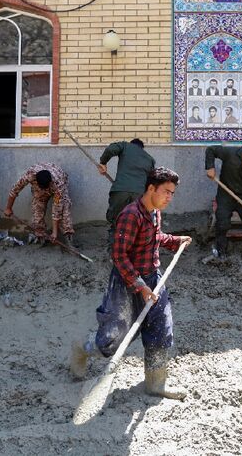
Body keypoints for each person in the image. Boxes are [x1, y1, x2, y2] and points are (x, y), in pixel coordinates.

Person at [70, 167, 192, 402]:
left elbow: (155, 239)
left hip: (153, 279)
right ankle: (81, 349)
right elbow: (119, 255)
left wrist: (175, 241)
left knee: (160, 330)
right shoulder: (130, 215)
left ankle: (156, 384)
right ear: (151, 188)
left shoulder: (155, 213)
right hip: (126, 283)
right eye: (167, 192)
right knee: (112, 338)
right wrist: (140, 285)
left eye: (173, 193)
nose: (170, 197)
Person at [98, 139, 156, 249]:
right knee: (135, 222)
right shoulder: (150, 159)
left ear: (132, 144)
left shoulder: (125, 146)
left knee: (116, 219)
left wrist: (103, 163)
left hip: (121, 191)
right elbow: (151, 181)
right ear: (142, 148)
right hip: (139, 195)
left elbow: (111, 149)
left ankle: (114, 247)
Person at [4, 163, 75, 247]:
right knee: (37, 207)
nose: (45, 190)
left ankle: (68, 237)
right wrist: (8, 208)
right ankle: (40, 235)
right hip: (39, 187)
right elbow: (14, 190)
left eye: (45, 188)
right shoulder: (29, 175)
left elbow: (57, 209)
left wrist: (54, 232)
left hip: (58, 182)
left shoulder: (58, 184)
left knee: (64, 208)